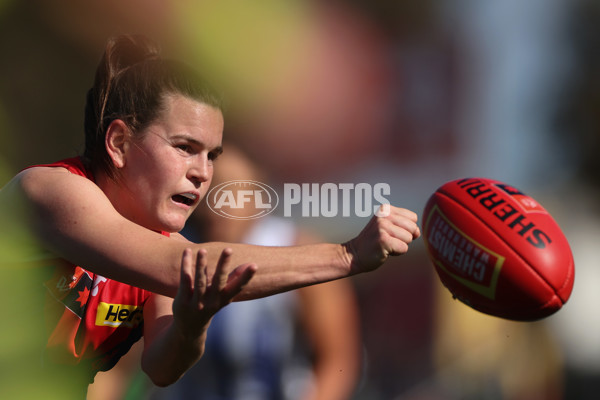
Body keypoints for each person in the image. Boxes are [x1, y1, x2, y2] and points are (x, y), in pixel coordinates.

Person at [0, 34, 420, 398]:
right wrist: (347, 255)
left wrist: (190, 324)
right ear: (119, 142)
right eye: (184, 147)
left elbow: (162, 368)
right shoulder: (49, 192)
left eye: (211, 155)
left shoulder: (159, 244)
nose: (203, 173)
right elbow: (182, 267)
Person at [88, 144, 363, 400]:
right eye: (210, 190)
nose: (218, 206)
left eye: (232, 192)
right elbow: (116, 365)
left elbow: (338, 359)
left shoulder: (298, 248)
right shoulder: (164, 249)